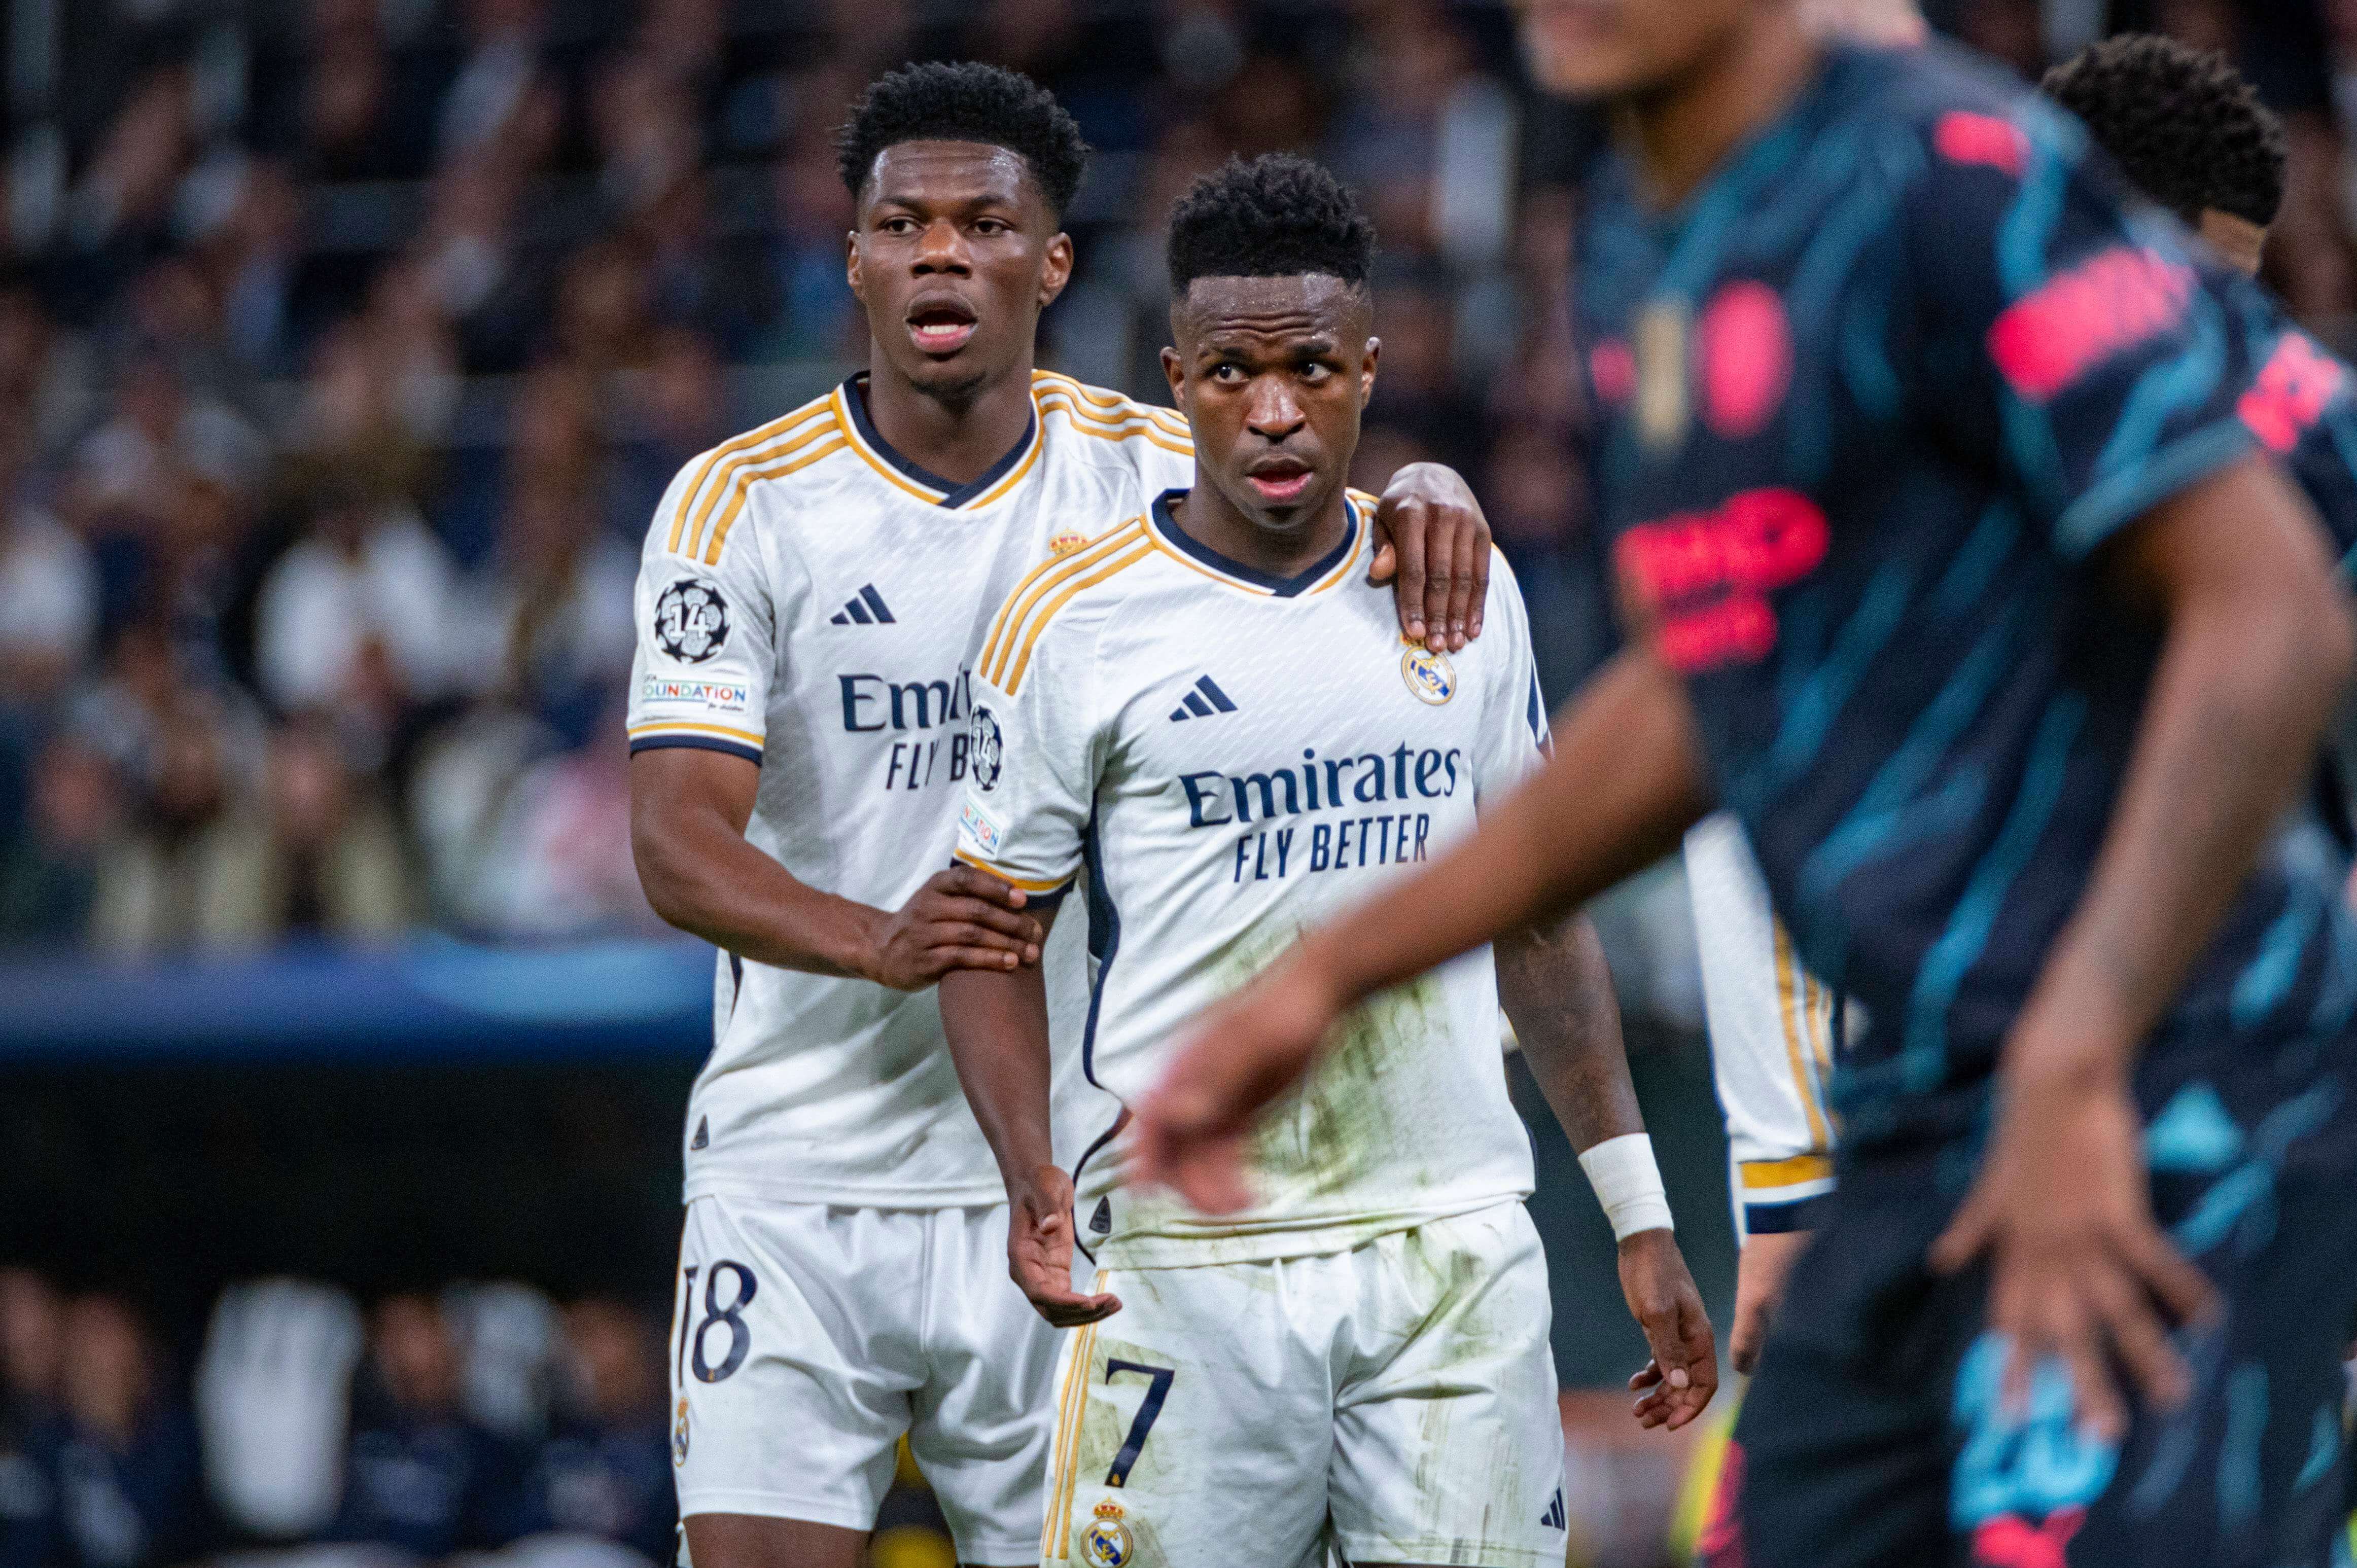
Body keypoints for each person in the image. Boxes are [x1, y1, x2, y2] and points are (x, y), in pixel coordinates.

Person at [1130, 7, 2357, 1567]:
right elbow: (1710, 688)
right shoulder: (1646, 248)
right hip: (1927, 1108)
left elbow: (2274, 610)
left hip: (2173, 1097)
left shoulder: (1954, 175)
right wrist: (1333, 978)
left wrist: (2081, 1045)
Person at [623, 62, 1497, 1568]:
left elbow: (1325, 489)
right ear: (856, 261)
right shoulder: (738, 505)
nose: (941, 251)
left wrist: (1429, 476)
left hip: (1065, 1184)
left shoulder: (1147, 468)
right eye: (902, 223)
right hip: (793, 1175)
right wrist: (879, 938)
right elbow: (675, 839)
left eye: (982, 222)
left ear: (1054, 261)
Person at [936, 152, 1713, 1568]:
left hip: (1451, 1246)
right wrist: (1030, 1175)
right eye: (1233, 371)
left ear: (1368, 367)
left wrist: (1639, 1211)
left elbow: (1540, 923)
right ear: (1177, 378)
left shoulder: (1456, 586)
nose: (1276, 408)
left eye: (1311, 366)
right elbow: (988, 925)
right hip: (1184, 1259)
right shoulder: (1071, 623)